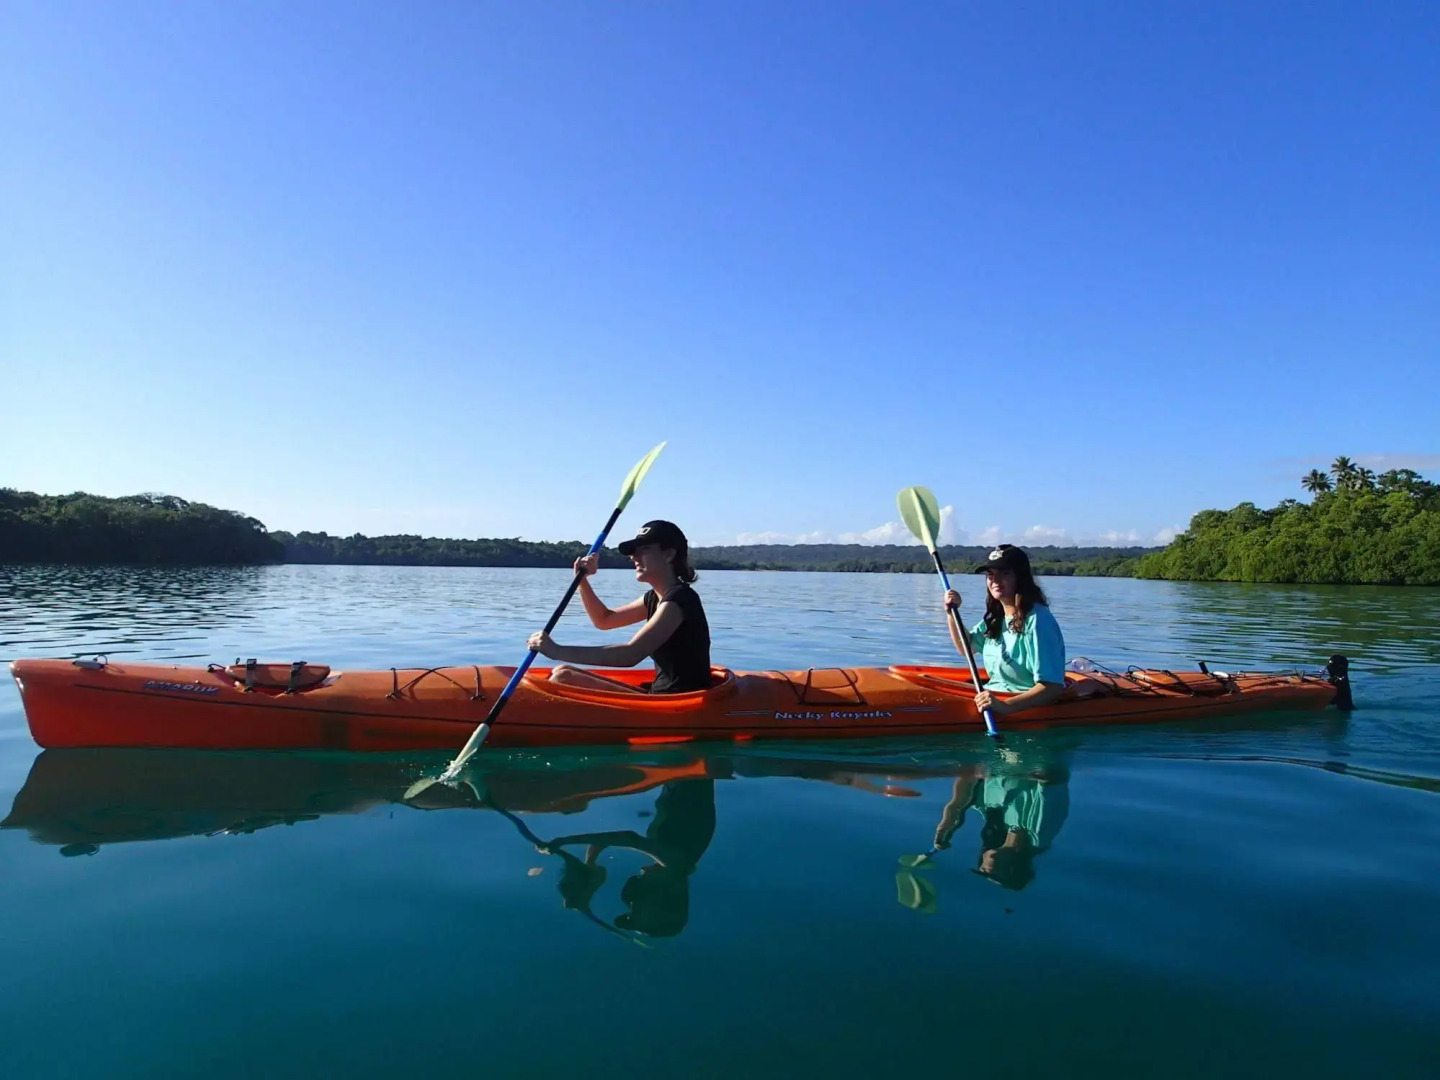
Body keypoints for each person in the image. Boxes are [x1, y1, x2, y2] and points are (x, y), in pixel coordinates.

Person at [528, 519, 712, 694]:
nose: (634, 557)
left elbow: (631, 655)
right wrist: (582, 581)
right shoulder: (654, 598)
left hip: (679, 704)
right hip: (659, 694)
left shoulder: (680, 599)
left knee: (564, 677)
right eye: (634, 551)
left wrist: (556, 651)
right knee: (563, 670)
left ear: (668, 554)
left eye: (644, 549)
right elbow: (604, 620)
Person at [943, 543, 1066, 717]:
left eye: (1005, 573)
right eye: (991, 574)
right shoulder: (997, 617)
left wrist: (1006, 707)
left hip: (1021, 705)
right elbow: (967, 647)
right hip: (995, 695)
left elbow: (1052, 688)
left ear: (1020, 578)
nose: (995, 580)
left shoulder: (1038, 620)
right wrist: (951, 613)